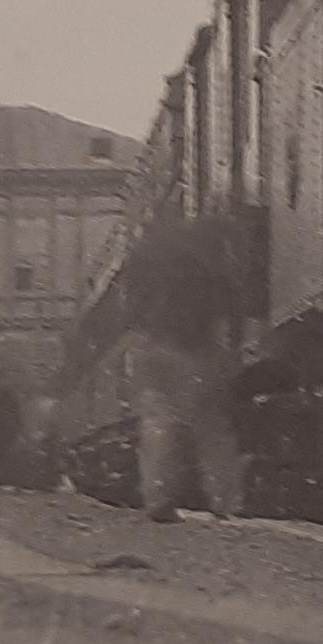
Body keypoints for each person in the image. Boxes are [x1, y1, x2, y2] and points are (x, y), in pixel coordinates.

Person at [115, 218, 248, 524]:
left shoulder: (145, 256)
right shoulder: (204, 261)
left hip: (151, 343)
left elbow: (128, 303)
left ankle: (158, 498)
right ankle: (225, 501)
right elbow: (229, 299)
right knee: (211, 426)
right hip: (193, 345)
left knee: (159, 424)